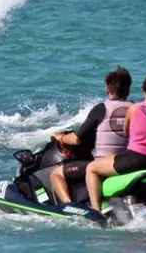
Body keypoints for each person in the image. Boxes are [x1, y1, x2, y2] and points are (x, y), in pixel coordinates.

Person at [84, 74, 146, 214]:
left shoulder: (134, 108)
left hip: (136, 160)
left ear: (143, 91)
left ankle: (96, 210)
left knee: (91, 168)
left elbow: (126, 133)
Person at [48, 65, 132, 203]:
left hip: (104, 166)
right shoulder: (135, 109)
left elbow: (76, 140)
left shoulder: (101, 109)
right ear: (128, 90)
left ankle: (70, 207)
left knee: (56, 175)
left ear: (108, 89)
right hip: (129, 163)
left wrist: (60, 137)